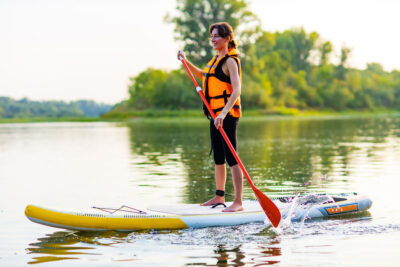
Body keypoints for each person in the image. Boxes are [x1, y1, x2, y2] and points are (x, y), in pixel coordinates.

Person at [178, 22, 243, 212]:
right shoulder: (215, 60)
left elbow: (237, 90)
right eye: (211, 36)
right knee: (218, 157)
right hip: (215, 115)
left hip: (227, 114)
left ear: (227, 39)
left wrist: (223, 113)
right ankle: (219, 196)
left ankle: (238, 202)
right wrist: (185, 61)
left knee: (232, 158)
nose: (213, 39)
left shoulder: (230, 61)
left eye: (217, 36)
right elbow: (202, 75)